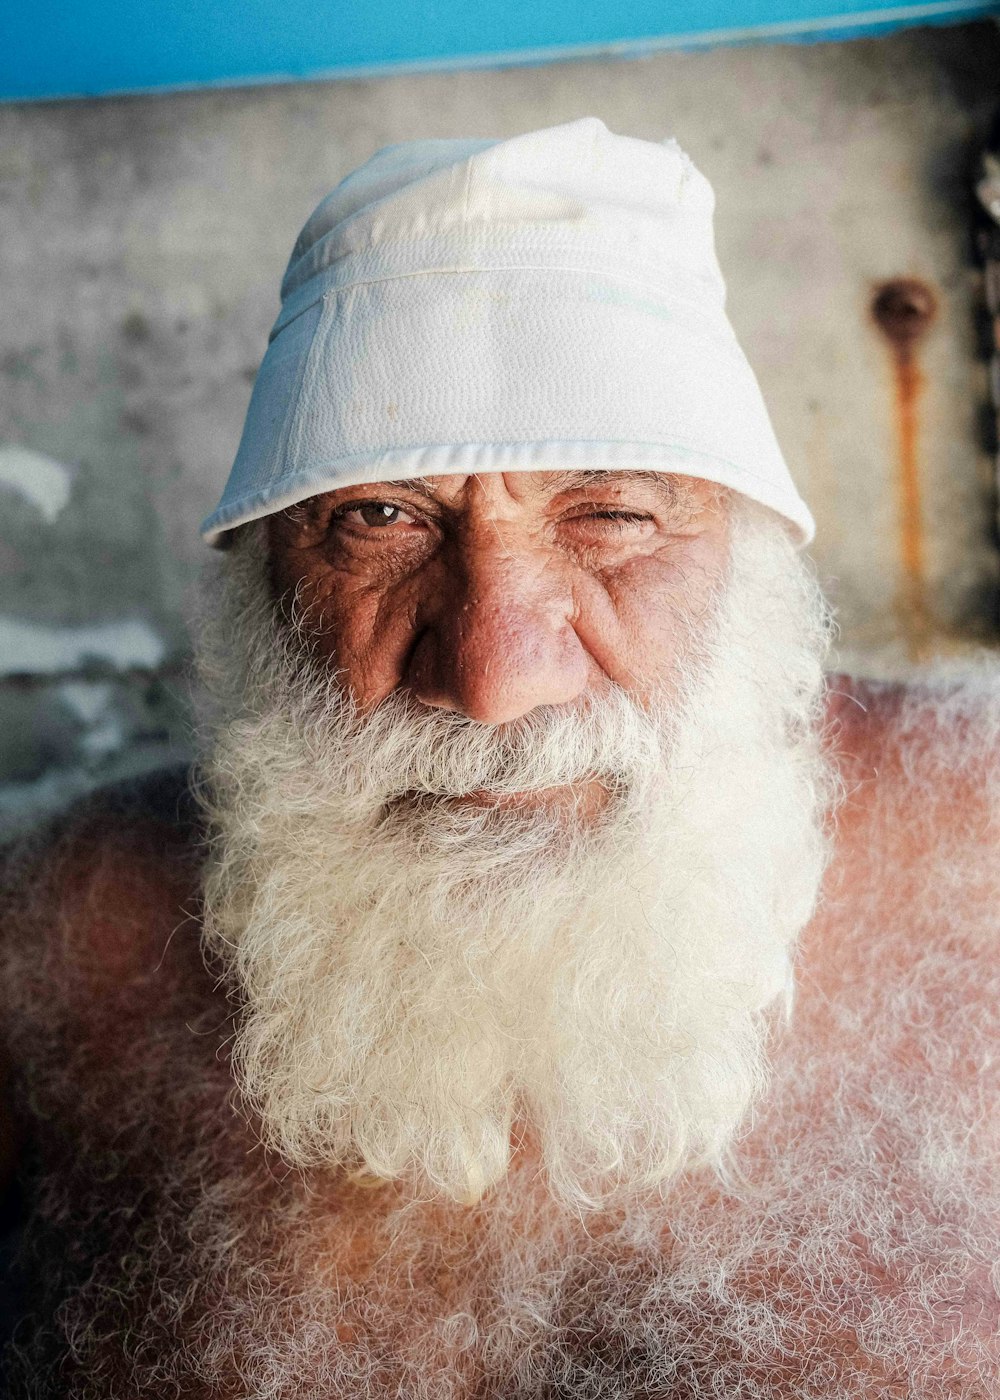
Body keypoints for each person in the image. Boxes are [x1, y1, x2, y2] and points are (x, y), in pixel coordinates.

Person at [1, 118, 998, 1398]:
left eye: (613, 515)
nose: (491, 674)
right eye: (378, 518)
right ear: (261, 585)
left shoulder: (980, 843)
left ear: (749, 556)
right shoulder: (72, 936)